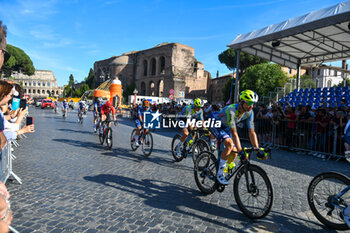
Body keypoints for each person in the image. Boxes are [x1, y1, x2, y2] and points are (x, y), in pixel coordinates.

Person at [209, 90, 267, 185]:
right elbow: (234, 133)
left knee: (234, 152)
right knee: (229, 145)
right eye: (249, 103)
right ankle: (219, 174)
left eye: (253, 104)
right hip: (215, 123)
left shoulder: (249, 112)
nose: (251, 106)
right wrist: (241, 152)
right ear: (241, 102)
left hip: (226, 126)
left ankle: (224, 166)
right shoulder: (231, 110)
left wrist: (257, 150)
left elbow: (252, 132)